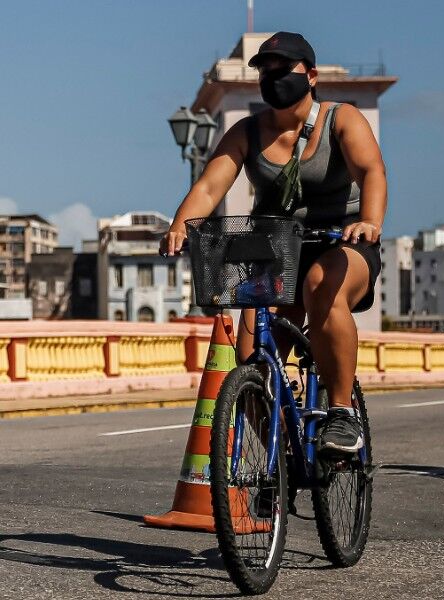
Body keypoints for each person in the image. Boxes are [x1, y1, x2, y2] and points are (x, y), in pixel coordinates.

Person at [162, 32, 385, 455]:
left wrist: (370, 221)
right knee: (252, 360)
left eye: (283, 70)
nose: (273, 78)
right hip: (278, 250)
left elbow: (372, 171)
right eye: (265, 71)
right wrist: (180, 226)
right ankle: (280, 460)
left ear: (311, 75)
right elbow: (210, 187)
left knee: (321, 285)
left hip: (342, 241)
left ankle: (341, 414)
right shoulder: (247, 131)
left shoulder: (342, 119)